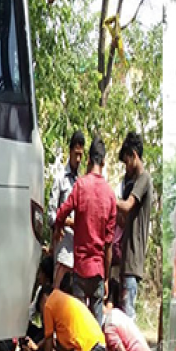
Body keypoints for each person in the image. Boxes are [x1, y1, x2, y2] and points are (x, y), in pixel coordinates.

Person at [53, 137, 117, 325]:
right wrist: (106, 278)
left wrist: (58, 229)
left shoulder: (80, 186)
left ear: (89, 160)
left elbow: (61, 213)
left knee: (79, 327)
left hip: (80, 268)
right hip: (98, 271)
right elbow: (109, 244)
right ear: (103, 162)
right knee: (96, 329)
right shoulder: (110, 195)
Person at [117, 132, 153, 320]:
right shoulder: (132, 182)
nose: (126, 167)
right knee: (124, 313)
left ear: (134, 155)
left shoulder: (144, 179)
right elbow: (123, 218)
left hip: (133, 261)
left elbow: (127, 205)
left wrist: (107, 196)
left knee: (128, 316)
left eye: (126, 162)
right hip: (126, 261)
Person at [47, 131, 85, 290]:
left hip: (77, 252)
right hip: (63, 248)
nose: (78, 159)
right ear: (70, 151)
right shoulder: (60, 178)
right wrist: (68, 222)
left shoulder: (82, 181)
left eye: (81, 155)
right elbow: (51, 215)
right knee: (57, 293)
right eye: (76, 154)